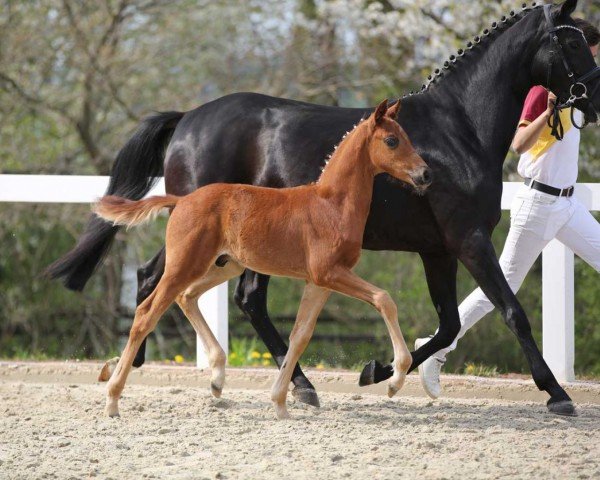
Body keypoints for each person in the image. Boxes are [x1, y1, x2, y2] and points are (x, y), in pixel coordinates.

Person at [416, 18, 600, 399]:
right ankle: (435, 349)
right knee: (498, 288)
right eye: (592, 55)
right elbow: (518, 144)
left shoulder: (580, 90)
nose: (592, 64)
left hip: (568, 205)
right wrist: (550, 112)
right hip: (537, 203)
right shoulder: (541, 92)